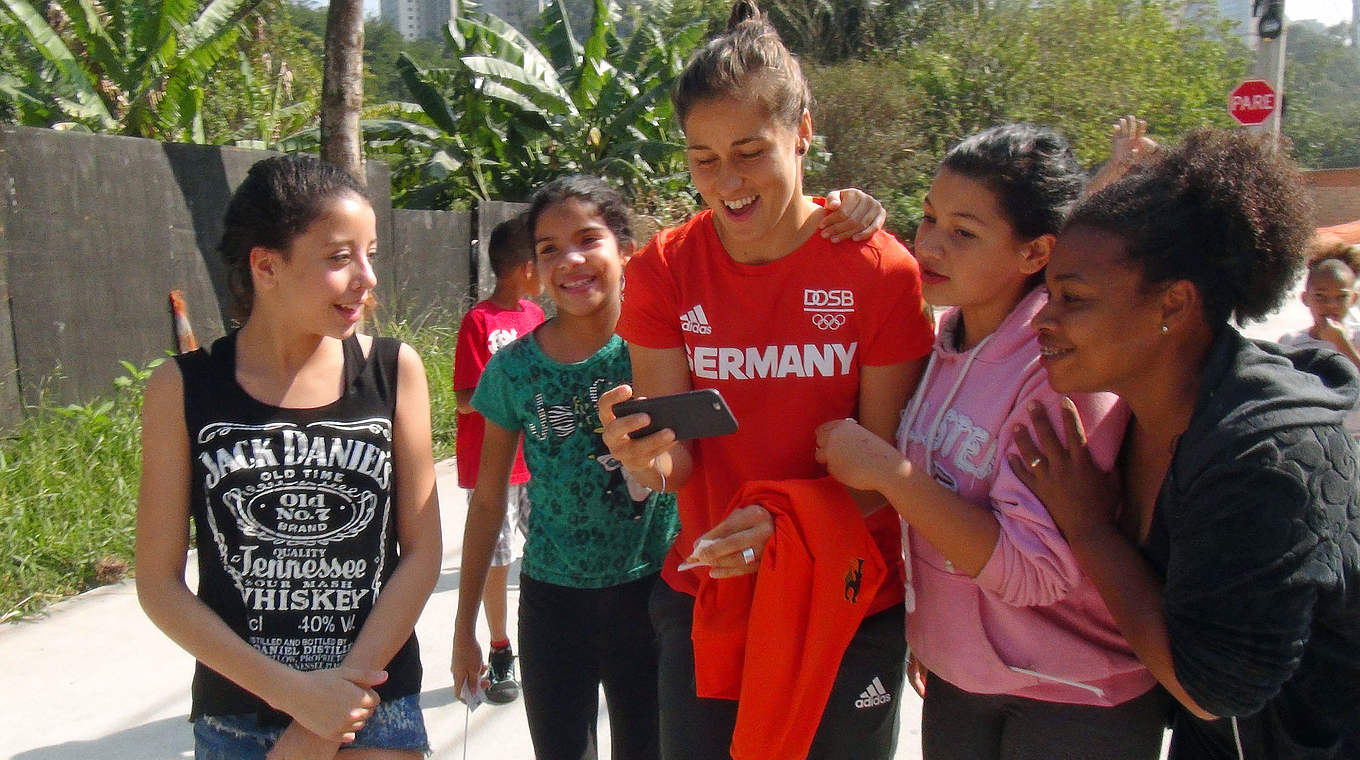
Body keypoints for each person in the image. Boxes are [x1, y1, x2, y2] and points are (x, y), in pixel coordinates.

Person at [598, 2, 934, 757]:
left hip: (845, 599)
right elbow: (676, 458)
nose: (727, 181)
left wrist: (786, 529)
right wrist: (641, 456)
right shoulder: (663, 271)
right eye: (703, 158)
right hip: (712, 593)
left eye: (750, 151)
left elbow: (881, 477)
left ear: (803, 133)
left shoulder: (878, 271)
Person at [814, 123, 1165, 760]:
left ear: (1035, 254)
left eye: (964, 232)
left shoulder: (1061, 368)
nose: (930, 243)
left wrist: (891, 475)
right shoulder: (944, 340)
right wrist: (943, 638)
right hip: (961, 683)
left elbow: (1035, 572)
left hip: (1072, 699)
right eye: (927, 217)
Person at [1012, 128, 1360, 759]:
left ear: (1173, 303)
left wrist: (1090, 530)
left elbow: (1211, 690)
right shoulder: (1135, 420)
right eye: (1047, 295)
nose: (1044, 319)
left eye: (1074, 299)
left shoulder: (1269, 457)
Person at [135, 154, 443, 760]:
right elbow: (157, 585)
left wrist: (330, 713)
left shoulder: (393, 370)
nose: (366, 277)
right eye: (339, 258)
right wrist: (294, 696)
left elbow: (423, 553)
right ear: (266, 265)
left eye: (370, 254)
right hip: (238, 716)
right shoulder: (182, 388)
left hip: (374, 703)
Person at [450, 175, 681, 760]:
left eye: (588, 239)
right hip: (553, 602)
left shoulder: (663, 348)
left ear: (625, 249)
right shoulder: (513, 371)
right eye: (550, 248)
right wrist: (463, 627)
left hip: (654, 592)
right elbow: (486, 500)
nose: (571, 260)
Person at [451, 212, 545, 704]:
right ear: (524, 266)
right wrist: (511, 391)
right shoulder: (479, 321)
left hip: (539, 459)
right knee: (498, 558)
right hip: (495, 465)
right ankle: (500, 649)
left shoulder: (536, 317)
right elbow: (466, 397)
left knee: (547, 550)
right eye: (543, 253)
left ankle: (548, 640)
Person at [1277, 254, 1360, 437]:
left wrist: (1341, 342)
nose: (1331, 305)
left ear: (1353, 299)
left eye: (1341, 297)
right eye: (1321, 296)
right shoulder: (1291, 342)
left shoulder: (1357, 336)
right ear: (1306, 299)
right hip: (1317, 437)